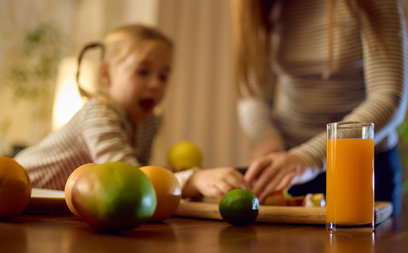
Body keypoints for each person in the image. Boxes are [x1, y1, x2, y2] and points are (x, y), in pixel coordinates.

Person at [15, 24, 246, 198]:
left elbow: (137, 172)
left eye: (163, 76)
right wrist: (192, 180)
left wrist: (167, 174)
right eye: (143, 72)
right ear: (106, 74)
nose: (156, 84)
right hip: (21, 188)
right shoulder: (98, 114)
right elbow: (128, 178)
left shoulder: (149, 123)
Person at [230, 0, 408, 213]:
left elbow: (388, 97)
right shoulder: (262, 7)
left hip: (359, 165)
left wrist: (309, 156)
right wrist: (267, 137)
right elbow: (253, 96)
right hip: (289, 166)